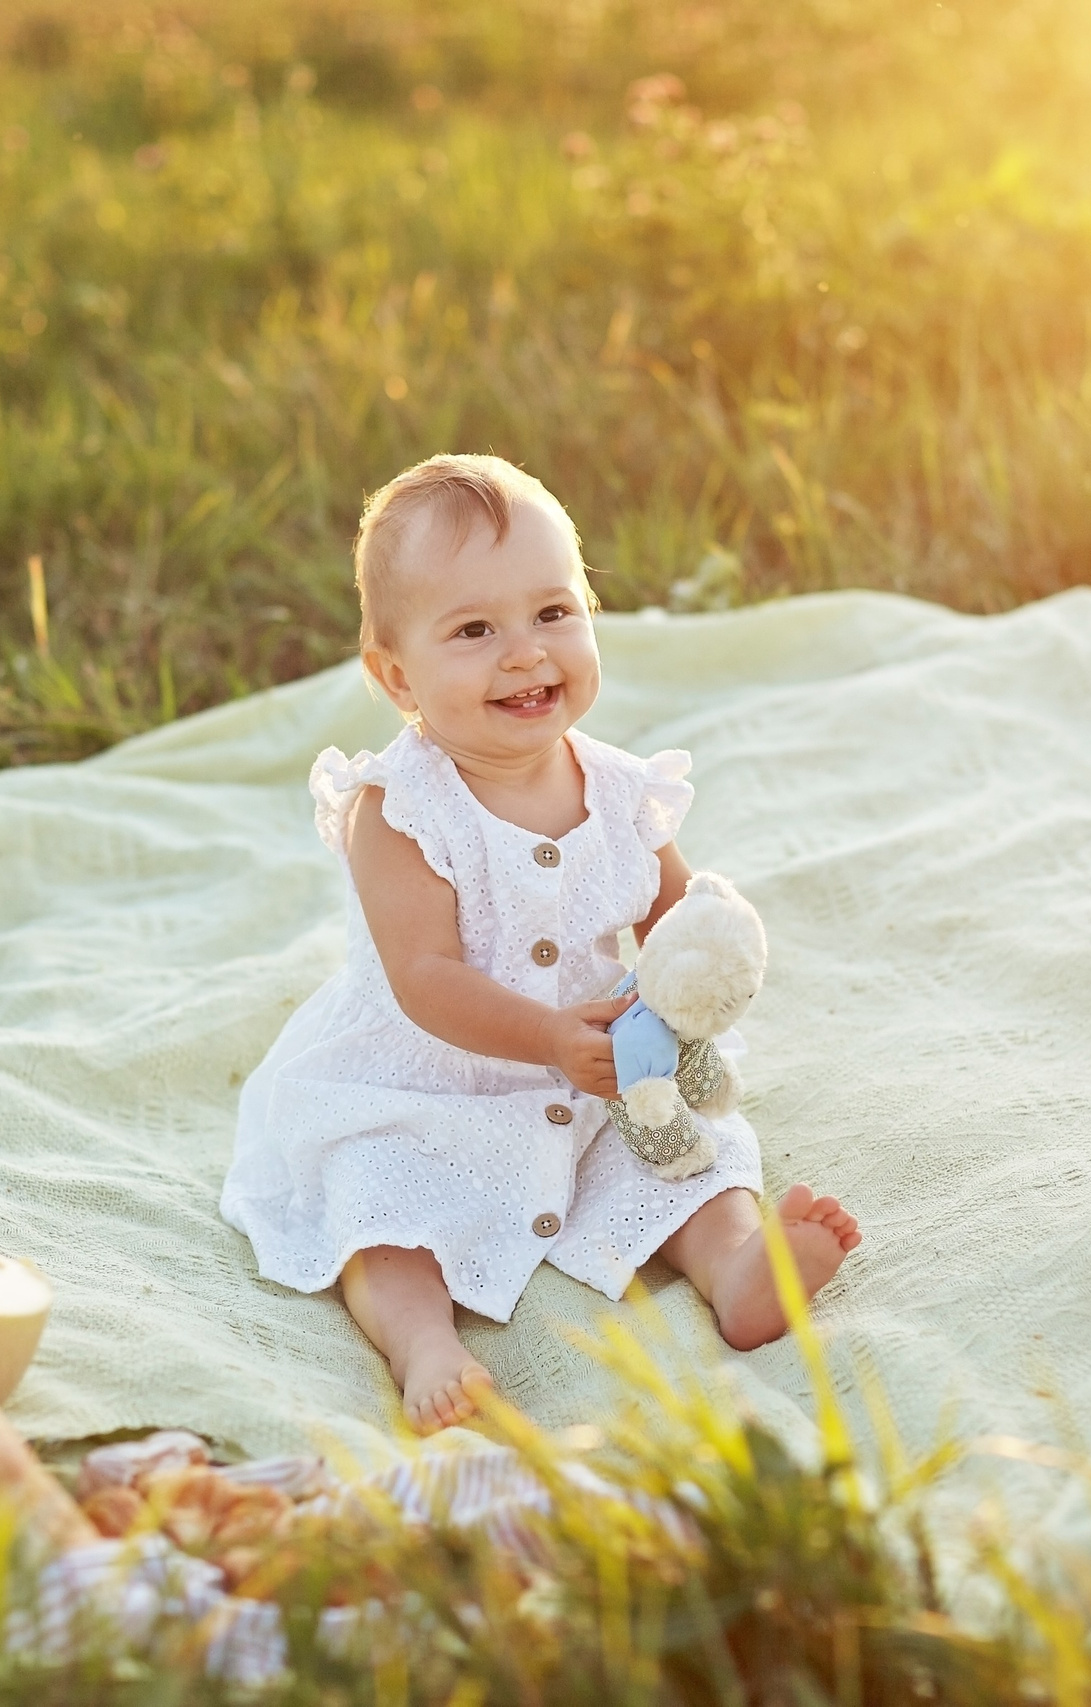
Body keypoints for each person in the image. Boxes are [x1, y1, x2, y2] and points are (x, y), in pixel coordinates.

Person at [220, 453, 861, 1433]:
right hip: (425, 1083)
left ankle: (737, 1265)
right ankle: (422, 1340)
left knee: (692, 1154)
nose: (525, 653)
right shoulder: (397, 813)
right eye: (474, 630)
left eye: (553, 613)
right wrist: (549, 1039)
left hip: (600, 1078)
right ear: (397, 676)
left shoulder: (620, 789)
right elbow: (424, 978)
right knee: (379, 1199)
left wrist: (705, 957)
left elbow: (673, 916)